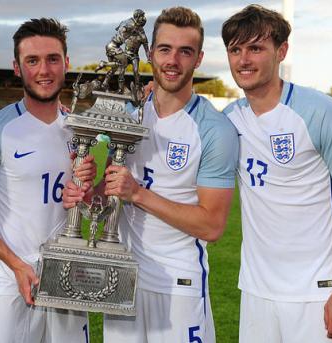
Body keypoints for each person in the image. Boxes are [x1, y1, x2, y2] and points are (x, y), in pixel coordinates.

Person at [65, 7, 239, 342]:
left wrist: (138, 194)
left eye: (185, 51)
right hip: (122, 280)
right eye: (165, 49)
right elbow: (109, 190)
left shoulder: (214, 129)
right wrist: (87, 194)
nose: (173, 60)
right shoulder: (131, 114)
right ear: (150, 53)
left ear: (198, 58)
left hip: (178, 286)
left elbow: (212, 225)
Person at [221, 5, 332, 343]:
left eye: (255, 48)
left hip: (319, 294)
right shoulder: (229, 120)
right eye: (235, 50)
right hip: (256, 294)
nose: (243, 60)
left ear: (282, 51)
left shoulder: (320, 111)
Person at [0, 18, 94, 342]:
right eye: (32, 60)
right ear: (17, 68)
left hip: (68, 278)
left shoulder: (80, 130)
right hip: (12, 280)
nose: (43, 70)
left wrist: (87, 191)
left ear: (66, 64)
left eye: (52, 59)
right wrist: (17, 265)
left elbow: (84, 202)